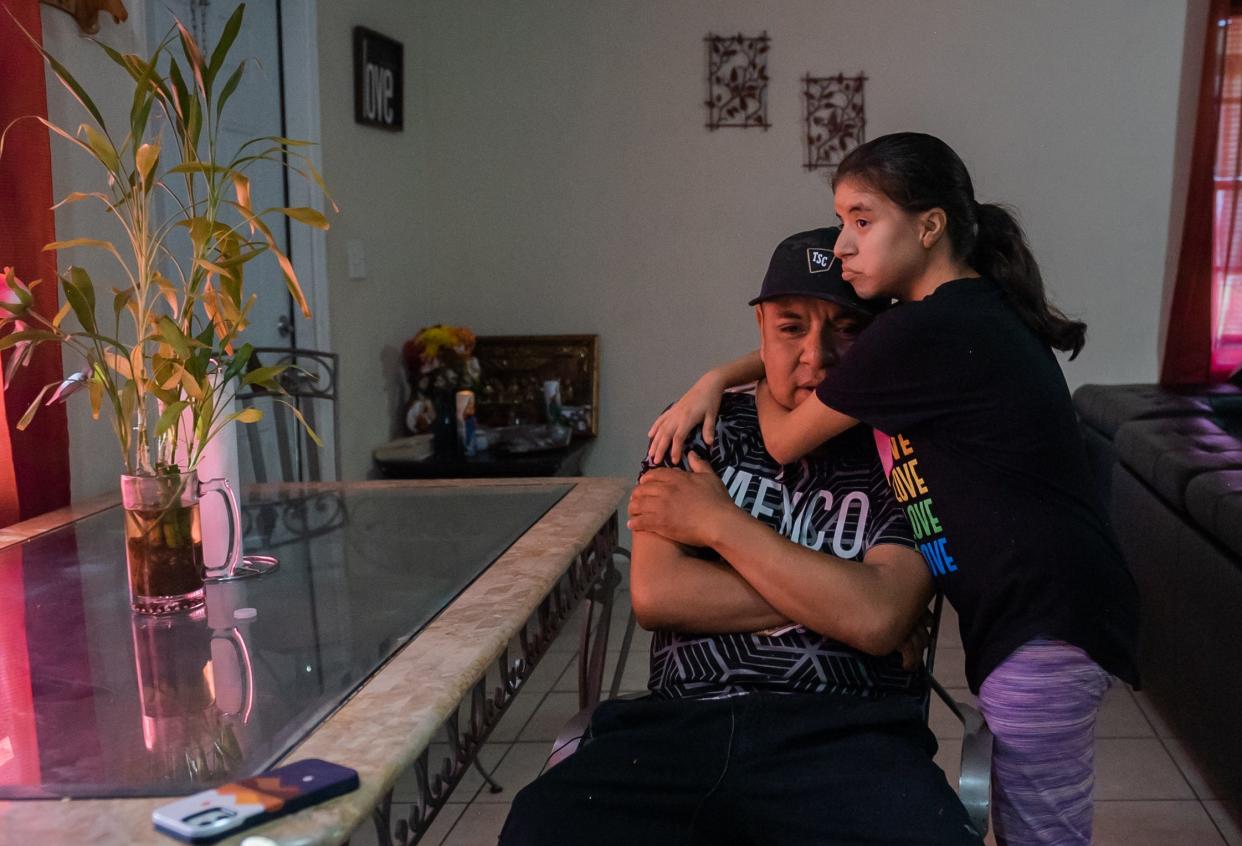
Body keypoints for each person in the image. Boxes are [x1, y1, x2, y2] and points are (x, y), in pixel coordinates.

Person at [646, 133, 1140, 846]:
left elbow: (783, 438)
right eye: (842, 222)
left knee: (1044, 835)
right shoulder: (954, 316)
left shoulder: (929, 329)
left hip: (1044, 614)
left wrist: (715, 382)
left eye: (862, 220)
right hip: (1043, 608)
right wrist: (844, 604)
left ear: (929, 226)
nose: (845, 245)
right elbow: (816, 349)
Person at [499, 228, 983, 846]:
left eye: (847, 328)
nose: (817, 356)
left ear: (880, 336)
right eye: (791, 328)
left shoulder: (900, 442)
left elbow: (882, 614)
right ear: (760, 328)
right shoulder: (694, 428)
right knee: (544, 828)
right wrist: (846, 604)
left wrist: (718, 526)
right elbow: (657, 594)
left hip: (847, 735)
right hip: (682, 725)